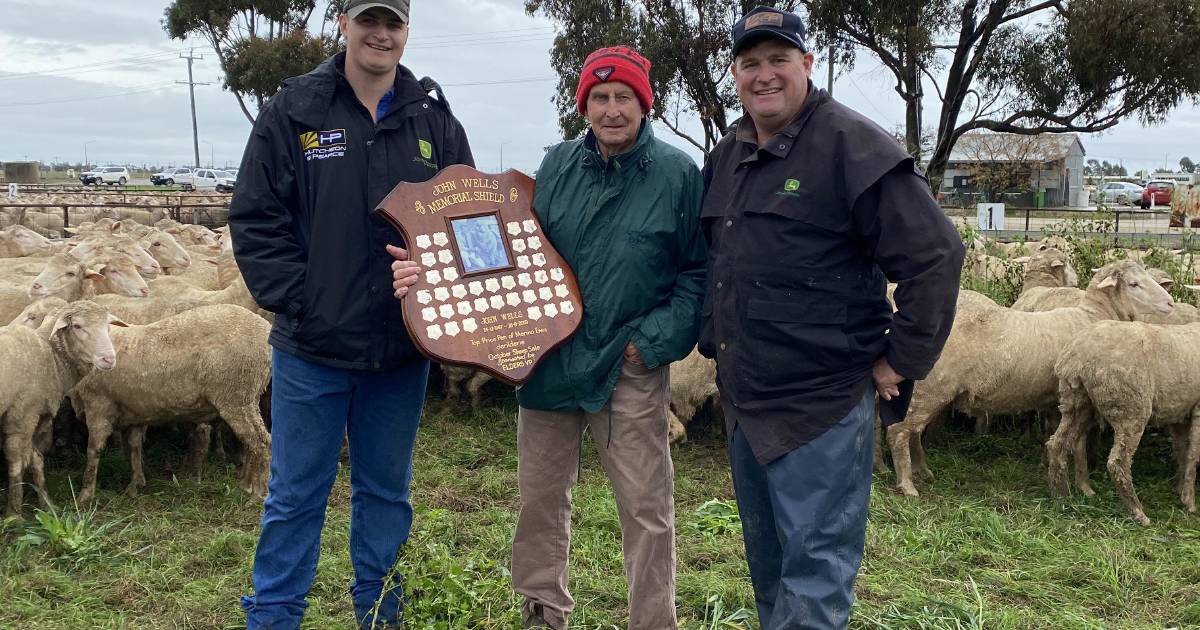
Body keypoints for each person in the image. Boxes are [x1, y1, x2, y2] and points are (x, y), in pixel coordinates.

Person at [391, 45, 706, 628]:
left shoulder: (678, 175)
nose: (612, 110)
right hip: (546, 361)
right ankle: (543, 610)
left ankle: (653, 620)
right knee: (539, 500)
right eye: (600, 98)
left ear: (645, 104)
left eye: (624, 98)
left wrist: (652, 343)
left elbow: (696, 273)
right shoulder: (556, 166)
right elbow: (505, 250)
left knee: (646, 509)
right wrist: (426, 268)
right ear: (583, 104)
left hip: (625, 364)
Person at [699, 7, 965, 629]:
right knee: (769, 570)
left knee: (815, 579)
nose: (764, 75)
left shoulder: (853, 145)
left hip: (820, 406)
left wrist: (901, 359)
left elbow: (936, 254)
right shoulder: (729, 154)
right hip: (746, 401)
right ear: (736, 73)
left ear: (807, 65)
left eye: (778, 60)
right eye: (750, 63)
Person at [229, 1, 473, 627]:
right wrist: (304, 303)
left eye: (393, 22)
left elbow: (465, 227)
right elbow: (257, 218)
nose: (381, 33)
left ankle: (381, 616)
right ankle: (275, 617)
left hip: (399, 351)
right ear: (343, 22)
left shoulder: (433, 119)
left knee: (386, 497)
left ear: (407, 30)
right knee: (295, 496)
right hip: (311, 349)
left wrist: (434, 277)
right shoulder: (296, 110)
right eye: (369, 19)